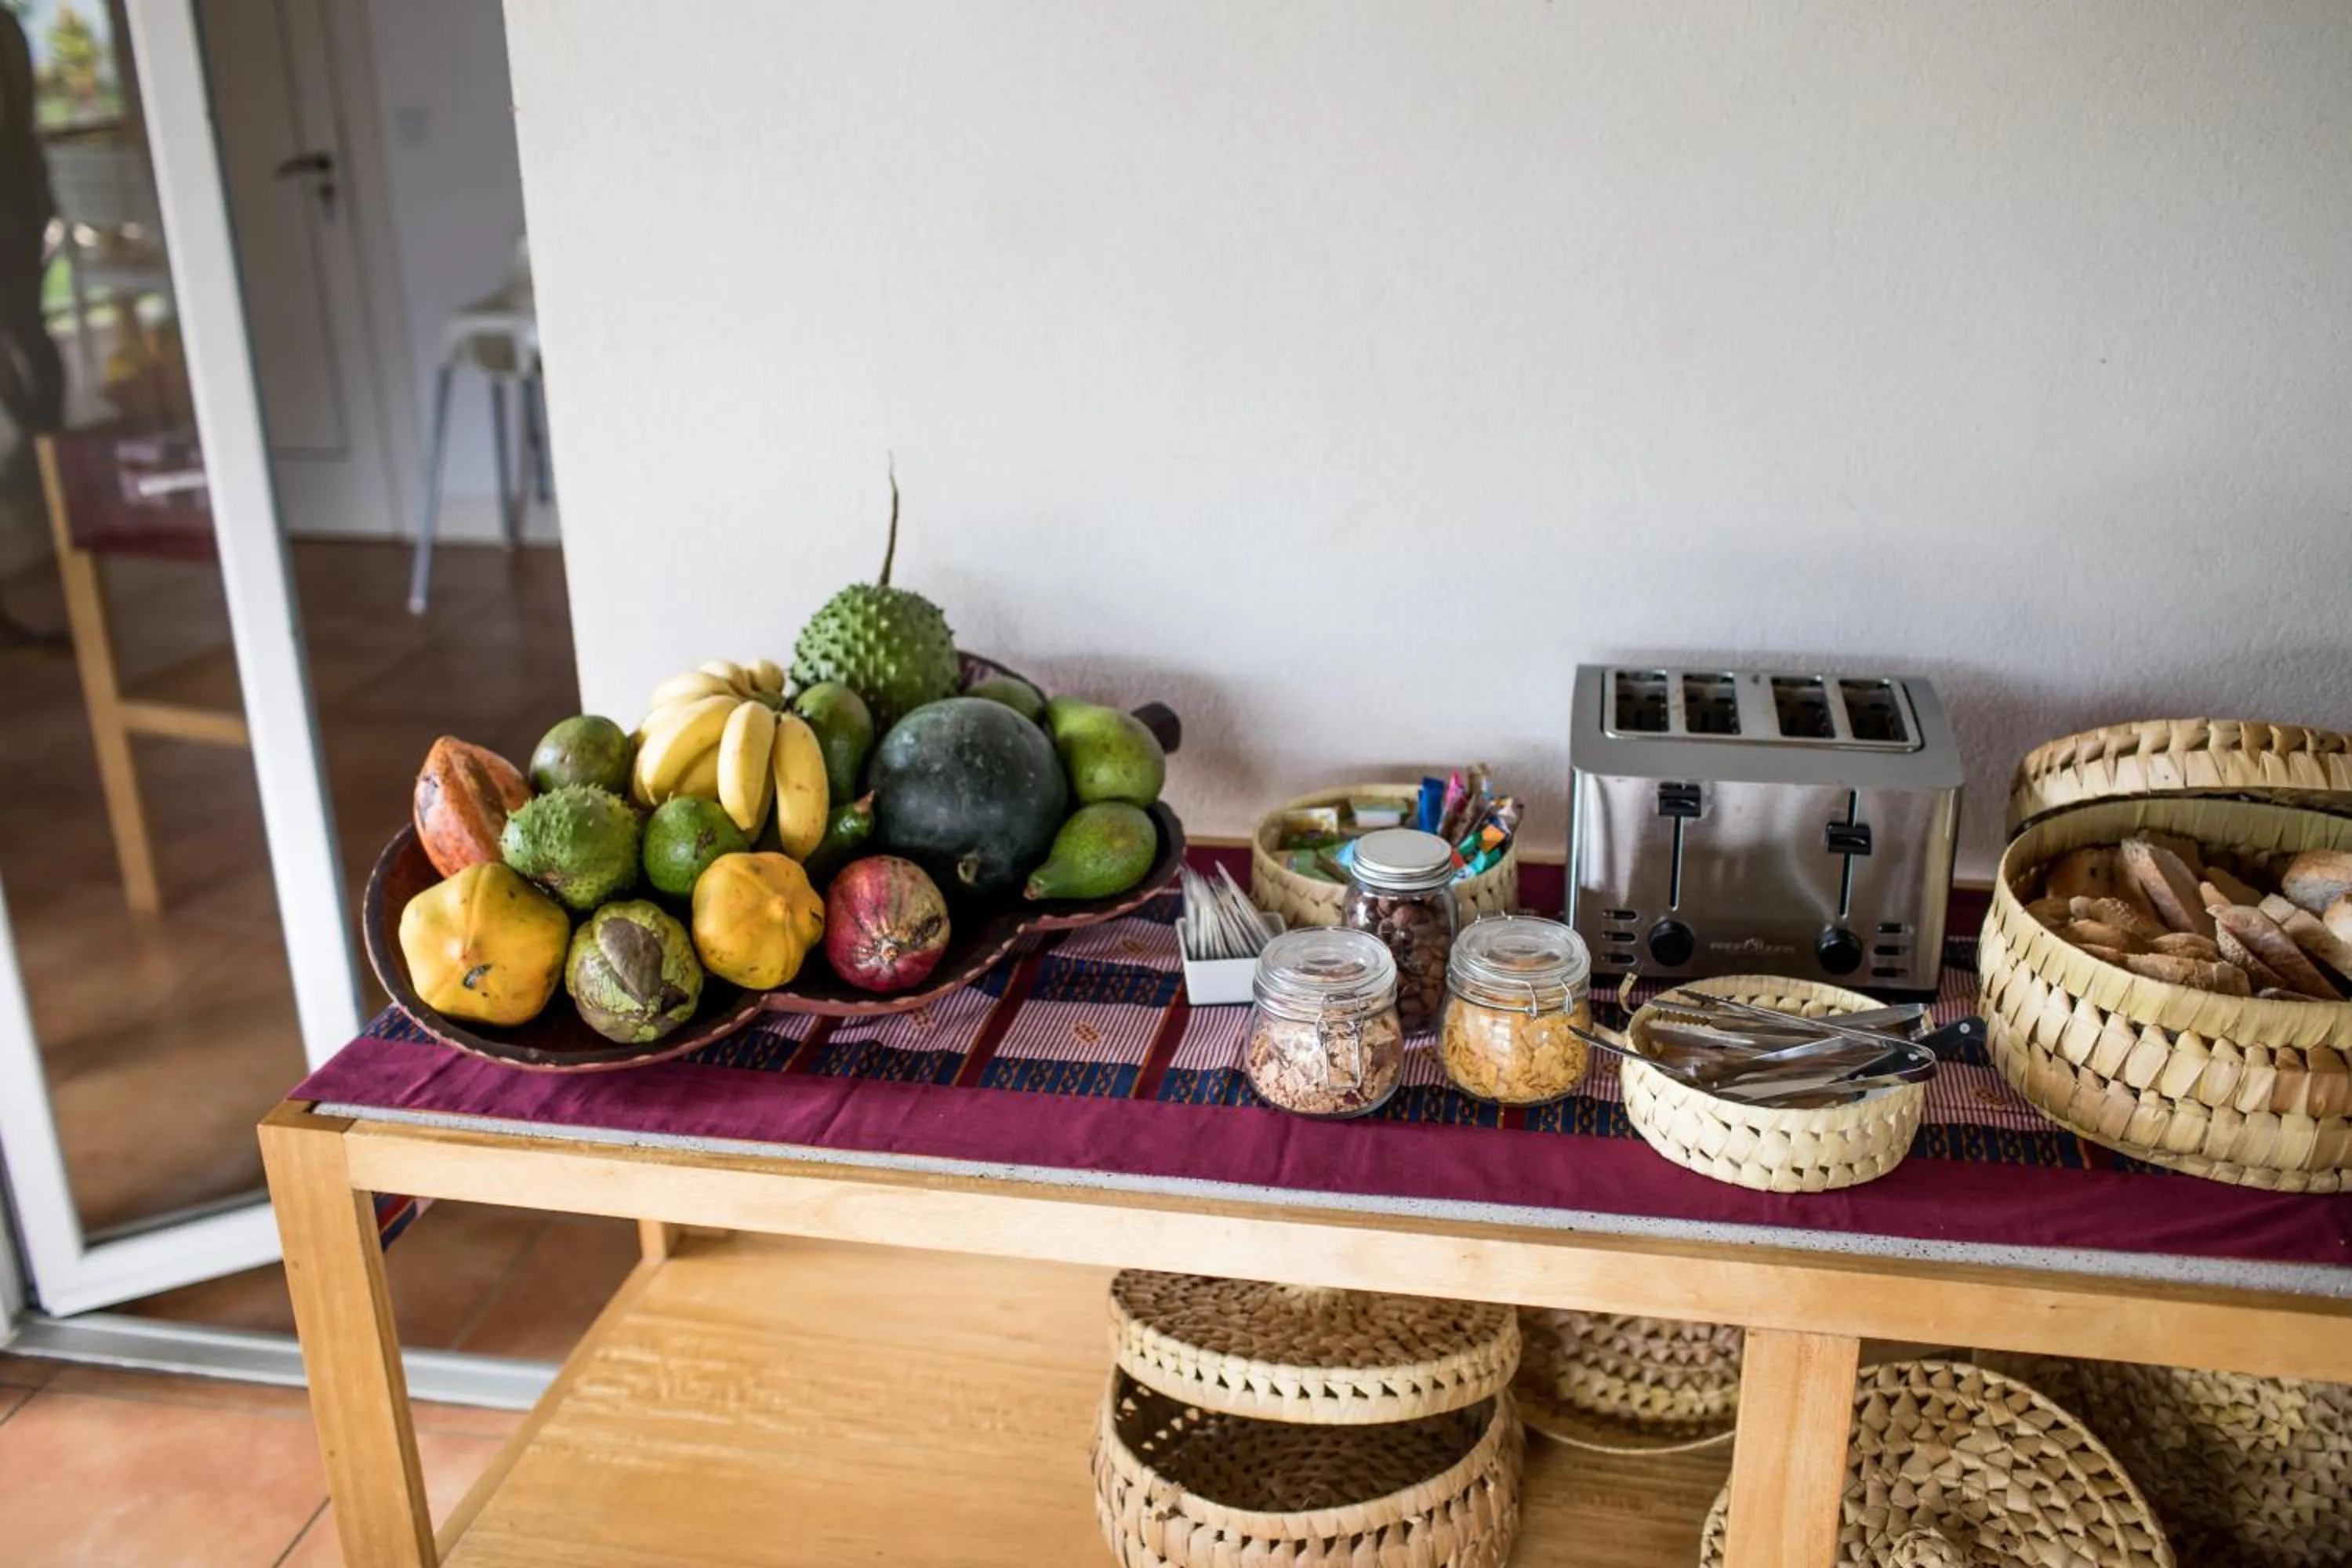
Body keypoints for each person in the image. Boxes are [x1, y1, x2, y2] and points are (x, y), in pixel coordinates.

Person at [0, 6, 60, 648]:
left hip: (12, 208)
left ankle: (41, 448)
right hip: (19, 204)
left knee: (27, 336)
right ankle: (37, 447)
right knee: (28, 336)